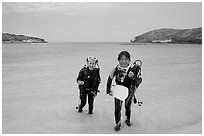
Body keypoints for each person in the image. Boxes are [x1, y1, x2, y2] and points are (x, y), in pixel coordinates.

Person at [106, 51, 142, 131]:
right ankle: (118, 123)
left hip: (129, 90)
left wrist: (133, 77)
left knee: (127, 106)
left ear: (129, 60)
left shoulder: (133, 69)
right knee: (117, 108)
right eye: (121, 59)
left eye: (126, 59)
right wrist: (108, 91)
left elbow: (139, 81)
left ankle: (127, 119)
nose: (124, 61)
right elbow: (109, 79)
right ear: (118, 60)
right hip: (118, 90)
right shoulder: (116, 69)